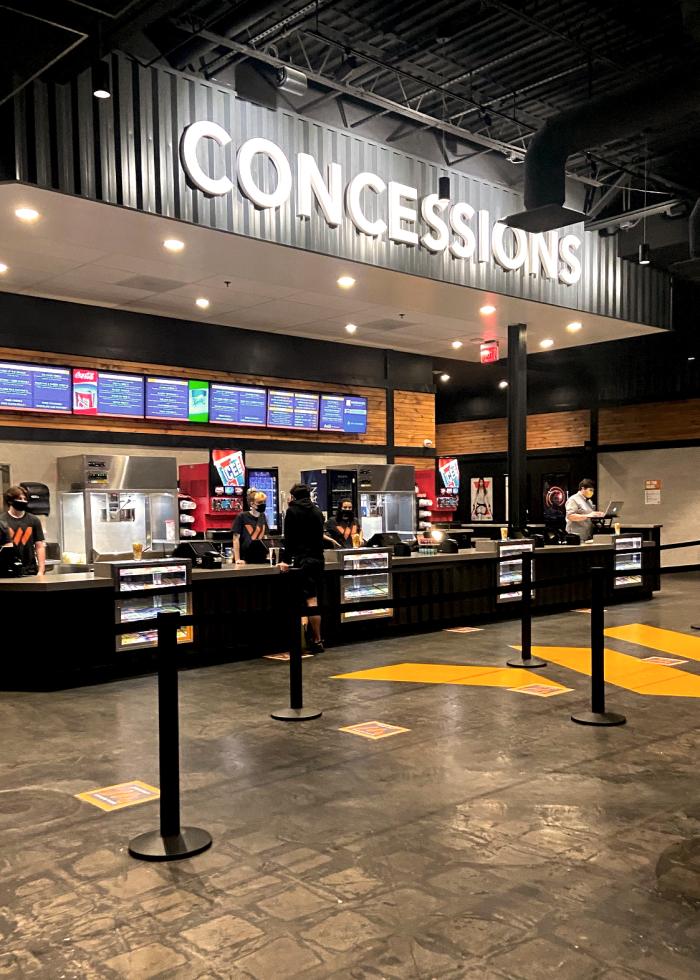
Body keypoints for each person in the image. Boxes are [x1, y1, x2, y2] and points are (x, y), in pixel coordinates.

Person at [279, 483, 325, 654]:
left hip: (302, 561)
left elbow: (289, 539)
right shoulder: (317, 512)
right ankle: (317, 638)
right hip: (318, 560)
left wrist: (284, 560)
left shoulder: (292, 512)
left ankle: (301, 641)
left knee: (302, 600)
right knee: (314, 600)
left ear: (293, 497)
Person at [0, 486, 46, 575]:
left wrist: (41, 570)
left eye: (25, 499)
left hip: (30, 570)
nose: (23, 501)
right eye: (19, 498)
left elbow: (39, 546)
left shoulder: (34, 520)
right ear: (10, 501)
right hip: (7, 571)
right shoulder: (1, 521)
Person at [232, 490, 269, 564]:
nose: (263, 504)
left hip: (261, 557)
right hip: (245, 558)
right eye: (260, 503)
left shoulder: (263, 516)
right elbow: (236, 539)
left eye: (264, 502)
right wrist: (237, 559)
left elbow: (265, 537)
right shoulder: (242, 516)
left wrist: (268, 554)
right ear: (252, 504)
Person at [565, 478, 605, 543]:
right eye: (590, 490)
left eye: (593, 491)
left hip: (587, 536)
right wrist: (588, 515)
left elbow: (590, 515)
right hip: (576, 538)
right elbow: (570, 516)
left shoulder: (589, 501)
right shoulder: (573, 499)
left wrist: (597, 514)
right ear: (583, 489)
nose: (592, 493)